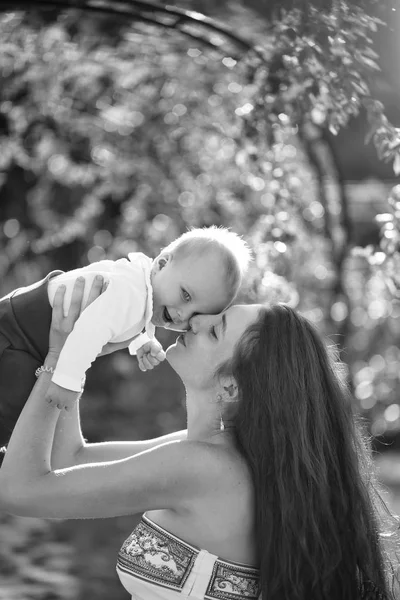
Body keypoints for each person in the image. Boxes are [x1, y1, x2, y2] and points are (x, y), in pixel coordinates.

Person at [0, 277, 398, 600]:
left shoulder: (203, 467)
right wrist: (79, 350)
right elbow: (70, 459)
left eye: (216, 329)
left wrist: (56, 359)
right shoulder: (218, 456)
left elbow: (18, 489)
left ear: (231, 386)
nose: (195, 321)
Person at [0, 226, 251, 449]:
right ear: (162, 264)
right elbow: (90, 330)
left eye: (196, 313)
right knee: (11, 412)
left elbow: (112, 321)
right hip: (19, 334)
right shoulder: (130, 293)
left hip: (21, 326)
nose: (182, 314)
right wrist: (67, 381)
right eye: (186, 295)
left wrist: (139, 340)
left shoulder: (136, 286)